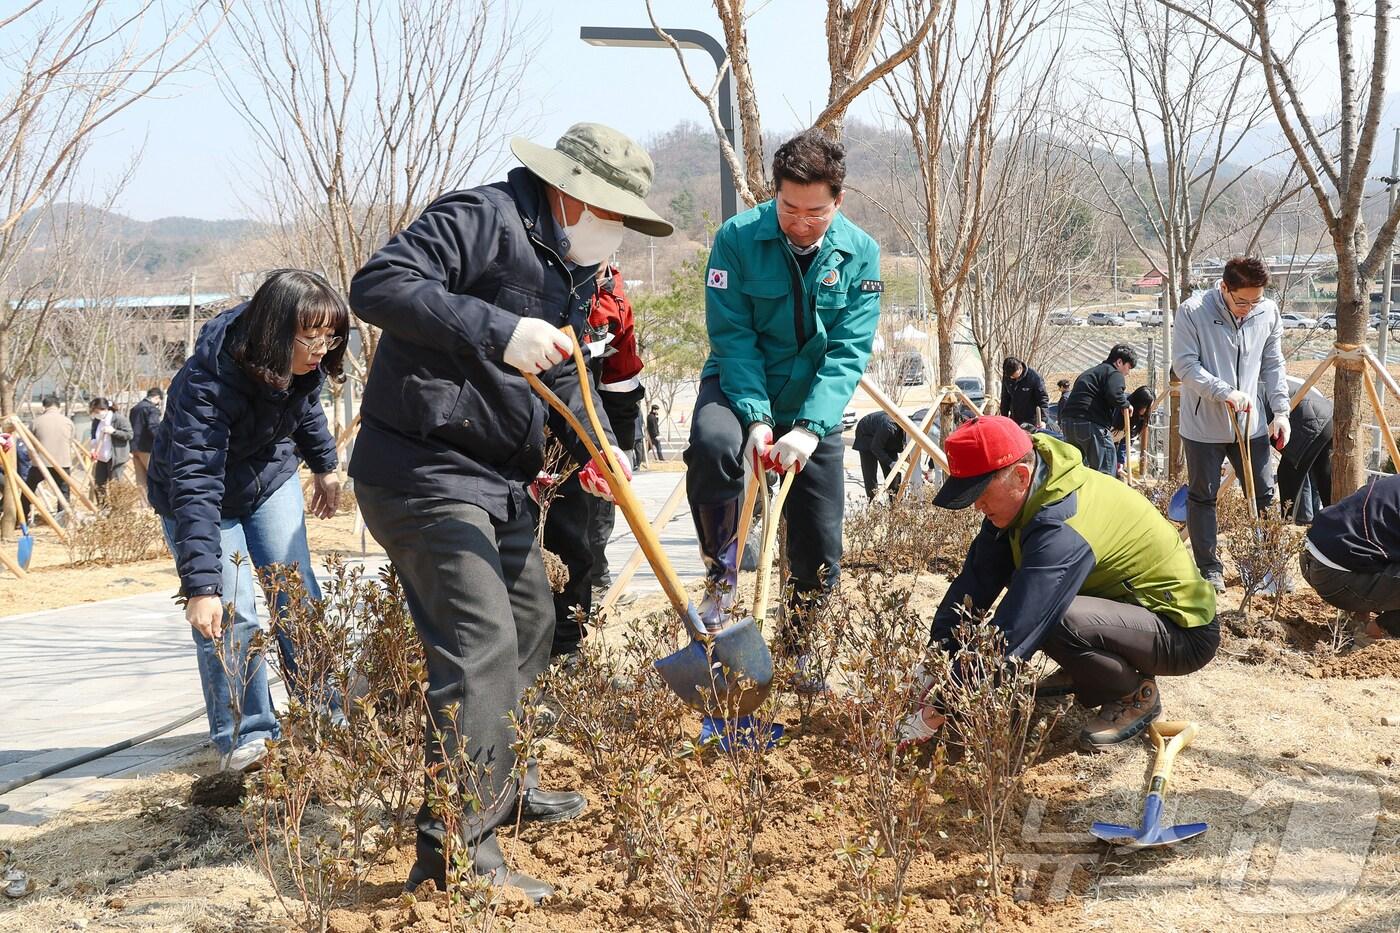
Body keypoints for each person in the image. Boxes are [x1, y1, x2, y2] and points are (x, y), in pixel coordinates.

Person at [348, 122, 672, 902]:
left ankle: (498, 778)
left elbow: (559, 373)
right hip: (422, 467)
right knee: (481, 642)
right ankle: (457, 855)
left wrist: (597, 449)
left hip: (499, 481)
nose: (618, 231)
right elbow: (377, 284)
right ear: (573, 192)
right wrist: (499, 330)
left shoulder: (581, 271)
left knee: (531, 624)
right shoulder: (481, 219)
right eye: (614, 213)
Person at [685, 130, 881, 680]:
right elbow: (733, 334)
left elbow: (847, 352)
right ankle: (720, 577)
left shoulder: (861, 253)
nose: (800, 222)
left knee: (820, 534)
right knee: (713, 446)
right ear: (773, 194)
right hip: (739, 383)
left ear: (838, 201)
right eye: (788, 208)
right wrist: (756, 416)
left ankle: (802, 642)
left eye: (815, 212)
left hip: (811, 404)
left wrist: (811, 428)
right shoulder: (737, 239)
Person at [900, 416, 1218, 750]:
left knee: (1052, 617)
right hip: (1126, 614)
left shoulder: (1063, 525)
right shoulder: (1028, 492)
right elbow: (977, 580)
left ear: (1020, 476)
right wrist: (934, 662)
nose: (978, 506)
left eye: (980, 493)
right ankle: (1087, 670)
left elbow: (1016, 628)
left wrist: (936, 711)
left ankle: (1132, 694)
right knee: (1028, 586)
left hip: (1181, 631)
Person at [147, 269, 345, 774]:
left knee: (295, 594)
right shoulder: (207, 382)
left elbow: (306, 409)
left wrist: (324, 466)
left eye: (332, 336)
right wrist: (201, 585)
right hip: (199, 496)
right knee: (231, 613)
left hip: (268, 479)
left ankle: (326, 712)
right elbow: (195, 481)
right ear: (275, 331)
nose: (322, 348)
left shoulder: (302, 364)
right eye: (312, 337)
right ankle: (248, 733)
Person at [545, 263, 645, 661]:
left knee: (581, 540)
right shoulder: (546, 276)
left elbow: (620, 380)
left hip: (587, 430)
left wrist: (618, 445)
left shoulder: (613, 297)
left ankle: (568, 648)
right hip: (530, 425)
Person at [1173, 255, 1289, 592]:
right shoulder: (1193, 311)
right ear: (1224, 288)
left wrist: (1280, 412)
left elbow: (1273, 363)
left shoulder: (1267, 312)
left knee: (1265, 495)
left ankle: (1268, 566)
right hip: (1203, 424)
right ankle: (1210, 569)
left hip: (1251, 422)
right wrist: (1223, 391)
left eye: (1256, 300)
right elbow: (1185, 365)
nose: (1249, 308)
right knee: (1203, 496)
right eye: (1242, 301)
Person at [1299, 474, 1400, 640]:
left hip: (1310, 553)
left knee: (1378, 541)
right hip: (1334, 575)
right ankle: (1377, 631)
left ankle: (1359, 616)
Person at [1057, 345, 1136, 475]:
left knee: (1077, 472)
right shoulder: (1114, 373)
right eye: (1128, 367)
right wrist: (1126, 404)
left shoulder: (1088, 373)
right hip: (1091, 425)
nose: (1128, 373)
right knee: (1106, 470)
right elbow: (1115, 394)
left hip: (1068, 424)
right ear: (1119, 362)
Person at [1266, 375, 1333, 524]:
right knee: (1323, 476)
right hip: (1326, 415)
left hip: (1308, 423)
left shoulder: (1251, 387)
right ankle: (1336, 521)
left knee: (1288, 474)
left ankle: (1291, 524)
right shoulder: (1275, 377)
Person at [27, 395, 72, 517]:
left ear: (44, 407)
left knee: (28, 490)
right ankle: (62, 518)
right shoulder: (68, 422)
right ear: (58, 407)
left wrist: (32, 458)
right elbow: (72, 441)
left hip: (40, 463)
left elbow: (29, 443)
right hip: (63, 463)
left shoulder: (36, 422)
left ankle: (22, 517)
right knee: (63, 493)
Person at [87, 397, 132, 505]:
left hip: (115, 457)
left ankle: (117, 510)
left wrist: (114, 432)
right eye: (94, 412)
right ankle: (102, 507)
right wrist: (93, 449)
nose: (96, 414)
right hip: (101, 456)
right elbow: (94, 436)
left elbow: (129, 435)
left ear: (104, 409)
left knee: (115, 484)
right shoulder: (96, 421)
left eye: (97, 411)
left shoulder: (119, 419)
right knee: (99, 484)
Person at [853, 410, 906, 500]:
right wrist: (890, 462)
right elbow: (875, 448)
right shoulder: (889, 427)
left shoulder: (907, 428)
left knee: (895, 473)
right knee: (870, 474)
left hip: (885, 437)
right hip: (866, 434)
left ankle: (895, 504)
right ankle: (873, 504)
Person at [129, 387, 164, 503]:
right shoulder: (151, 409)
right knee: (156, 475)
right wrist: (162, 441)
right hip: (148, 447)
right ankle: (158, 503)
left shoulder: (135, 408)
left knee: (140, 479)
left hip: (135, 447)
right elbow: (154, 427)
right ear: (157, 398)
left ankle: (144, 505)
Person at [1113, 386, 1155, 478]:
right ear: (1139, 404)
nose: (1147, 411)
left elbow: (1127, 441)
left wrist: (1120, 461)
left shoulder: (1139, 418)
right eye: (1146, 407)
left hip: (1114, 441)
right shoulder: (1119, 408)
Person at [999, 357, 1049, 429]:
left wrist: (1043, 420)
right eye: (1010, 376)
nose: (1012, 378)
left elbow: (1043, 399)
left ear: (1020, 368)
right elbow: (1005, 398)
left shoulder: (1034, 377)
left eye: (1014, 375)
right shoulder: (1007, 377)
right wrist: (1004, 418)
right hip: (1015, 418)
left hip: (1031, 420)